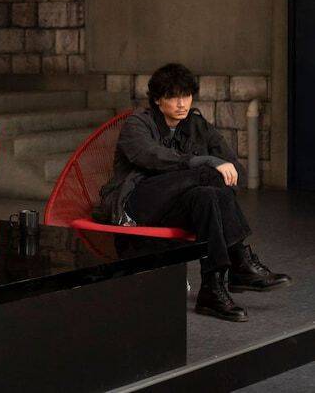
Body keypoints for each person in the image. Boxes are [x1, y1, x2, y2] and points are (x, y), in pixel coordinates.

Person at [99, 63, 290, 322]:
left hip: (175, 208)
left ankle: (212, 289)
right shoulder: (138, 123)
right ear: (157, 100)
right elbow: (151, 156)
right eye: (173, 97)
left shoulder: (197, 125)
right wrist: (205, 162)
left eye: (186, 95)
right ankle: (239, 260)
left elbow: (236, 173)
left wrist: (219, 170)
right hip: (136, 203)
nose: (182, 104)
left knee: (207, 196)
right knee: (208, 174)